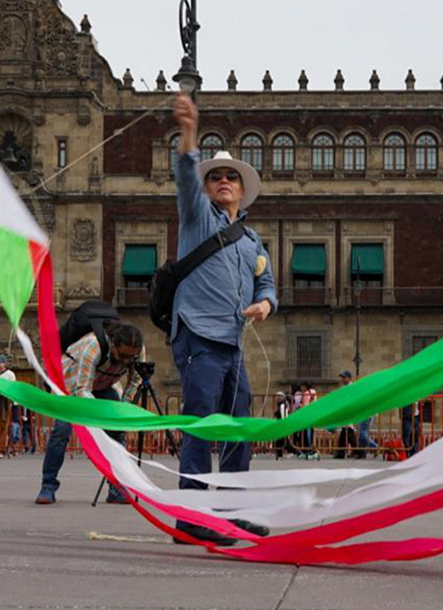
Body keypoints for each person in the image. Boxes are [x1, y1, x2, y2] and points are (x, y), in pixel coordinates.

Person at [170, 93, 278, 546]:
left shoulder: (251, 239)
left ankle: (232, 513)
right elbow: (184, 178)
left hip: (233, 345)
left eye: (231, 175)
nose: (223, 181)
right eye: (216, 176)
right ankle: (190, 519)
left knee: (239, 429)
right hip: (198, 335)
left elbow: (267, 282)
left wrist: (265, 304)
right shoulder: (197, 218)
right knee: (201, 424)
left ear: (242, 186)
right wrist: (190, 130)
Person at [34, 323, 144, 505]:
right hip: (69, 389)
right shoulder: (93, 347)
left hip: (103, 386)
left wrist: (122, 410)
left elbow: (135, 380)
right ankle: (48, 486)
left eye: (131, 357)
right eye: (122, 355)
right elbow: (82, 389)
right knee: (61, 432)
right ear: (113, 345)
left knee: (117, 433)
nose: (126, 361)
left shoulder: (136, 351)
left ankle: (116, 488)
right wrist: (98, 418)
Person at [333, 371, 359, 459]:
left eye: (344, 377)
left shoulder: (351, 387)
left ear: (349, 378)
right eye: (342, 377)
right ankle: (343, 452)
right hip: (347, 411)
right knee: (346, 431)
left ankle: (356, 452)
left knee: (348, 430)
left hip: (349, 411)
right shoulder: (347, 387)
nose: (342, 379)